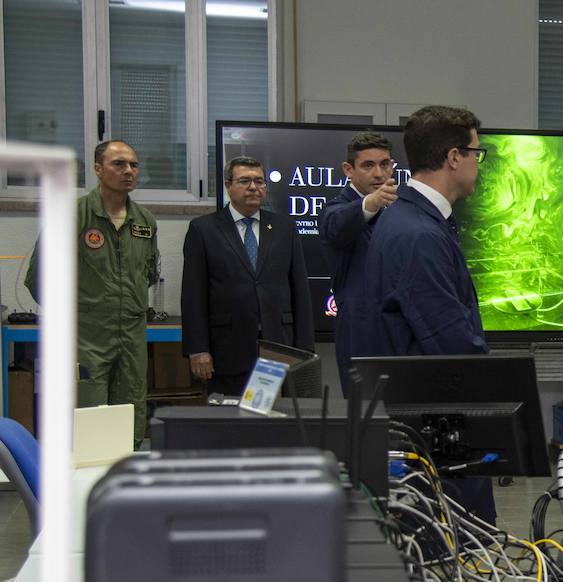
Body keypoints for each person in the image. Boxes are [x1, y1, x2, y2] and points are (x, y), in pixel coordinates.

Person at [360, 104, 495, 522]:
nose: (478, 163)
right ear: (454, 157)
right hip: (436, 431)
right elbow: (450, 343)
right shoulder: (419, 233)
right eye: (477, 152)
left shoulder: (409, 217)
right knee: (448, 559)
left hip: (422, 424)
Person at [25, 140, 159, 444]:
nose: (129, 171)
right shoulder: (72, 215)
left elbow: (147, 274)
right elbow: (38, 278)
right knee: (86, 413)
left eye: (134, 165)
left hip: (132, 334)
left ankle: (122, 481)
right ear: (98, 169)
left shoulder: (145, 222)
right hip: (87, 336)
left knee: (130, 410)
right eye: (119, 164)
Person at [181, 156, 314, 395]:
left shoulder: (285, 228)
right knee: (230, 426)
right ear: (228, 185)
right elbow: (193, 294)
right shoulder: (203, 229)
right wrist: (198, 349)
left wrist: (304, 350)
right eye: (245, 181)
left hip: (278, 347)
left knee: (276, 425)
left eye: (259, 181)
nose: (253, 187)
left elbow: (299, 291)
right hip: (226, 350)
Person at [321, 131, 397, 393]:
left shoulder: (400, 208)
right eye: (368, 165)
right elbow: (336, 225)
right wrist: (371, 203)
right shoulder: (338, 208)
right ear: (348, 169)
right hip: (362, 331)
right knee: (365, 415)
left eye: (385, 164)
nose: (379, 173)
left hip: (399, 329)